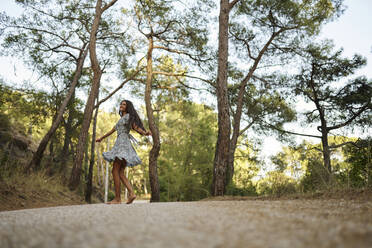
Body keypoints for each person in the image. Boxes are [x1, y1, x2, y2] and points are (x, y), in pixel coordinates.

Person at [96, 100, 151, 204]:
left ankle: (117, 199)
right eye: (121, 104)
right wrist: (101, 138)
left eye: (124, 104)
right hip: (122, 144)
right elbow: (112, 131)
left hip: (122, 144)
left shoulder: (128, 116)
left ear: (128, 107)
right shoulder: (121, 119)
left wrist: (145, 133)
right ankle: (132, 193)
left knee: (115, 170)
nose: (121, 105)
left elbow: (135, 127)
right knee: (120, 171)